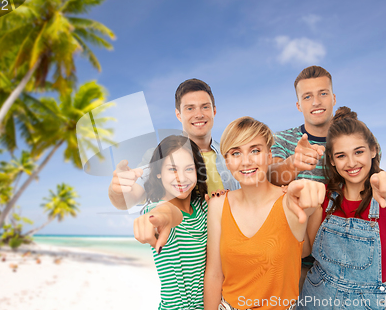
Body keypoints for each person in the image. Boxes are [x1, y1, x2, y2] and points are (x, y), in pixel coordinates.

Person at [204, 117, 326, 310]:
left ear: (269, 156)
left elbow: (304, 248)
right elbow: (214, 273)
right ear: (227, 162)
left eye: (255, 150)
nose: (246, 161)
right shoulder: (217, 205)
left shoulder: (290, 201)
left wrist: (312, 194)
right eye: (236, 153)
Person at [299, 107, 386, 309]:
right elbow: (304, 251)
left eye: (358, 152)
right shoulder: (323, 197)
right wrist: (303, 214)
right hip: (314, 298)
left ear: (373, 150)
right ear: (332, 160)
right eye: (341, 156)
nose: (351, 163)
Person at [109, 79, 239, 210]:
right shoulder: (160, 155)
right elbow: (128, 199)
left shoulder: (232, 155)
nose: (199, 114)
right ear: (178, 114)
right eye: (190, 108)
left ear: (214, 111)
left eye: (205, 107)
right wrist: (118, 190)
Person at [133, 135, 209, 310]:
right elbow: (167, 213)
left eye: (189, 169)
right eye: (172, 169)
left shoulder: (204, 207)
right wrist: (162, 215)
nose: (181, 178)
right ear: (159, 172)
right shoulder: (155, 209)